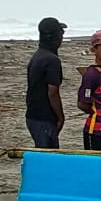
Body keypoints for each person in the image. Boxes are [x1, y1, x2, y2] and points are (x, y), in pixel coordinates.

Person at [24, 17, 66, 149]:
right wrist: (60, 117)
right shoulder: (51, 60)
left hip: (32, 115)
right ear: (56, 37)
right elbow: (52, 92)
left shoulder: (38, 55)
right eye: (61, 34)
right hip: (44, 118)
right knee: (48, 157)